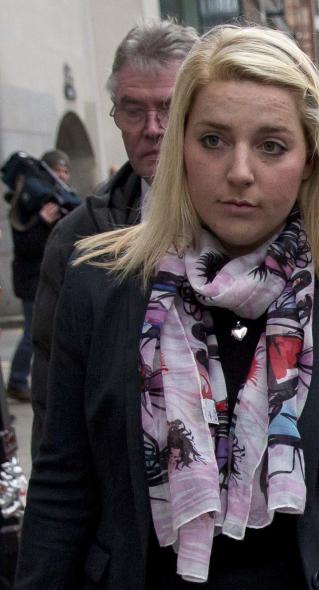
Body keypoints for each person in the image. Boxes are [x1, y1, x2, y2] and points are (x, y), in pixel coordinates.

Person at [14, 25, 319, 590]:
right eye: (214, 140)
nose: (240, 171)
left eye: (271, 145)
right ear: (180, 149)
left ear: (309, 161)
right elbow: (63, 491)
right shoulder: (100, 287)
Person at [29, 20, 198, 456]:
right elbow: (53, 407)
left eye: (169, 108)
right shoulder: (78, 240)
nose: (153, 127)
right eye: (133, 110)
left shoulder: (251, 221)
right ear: (116, 114)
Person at [6, 150, 76, 402]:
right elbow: (25, 247)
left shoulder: (60, 201)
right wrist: (42, 222)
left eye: (66, 170)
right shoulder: (28, 205)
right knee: (32, 332)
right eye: (58, 169)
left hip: (48, 279)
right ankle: (16, 380)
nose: (63, 175)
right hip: (31, 281)